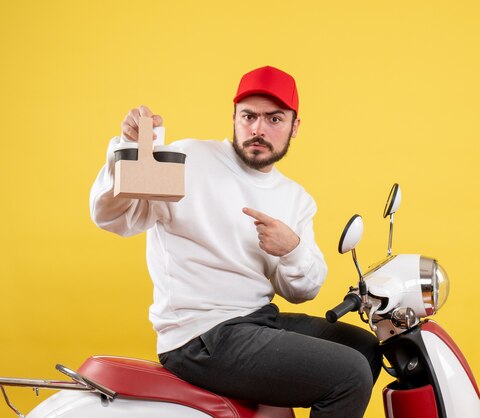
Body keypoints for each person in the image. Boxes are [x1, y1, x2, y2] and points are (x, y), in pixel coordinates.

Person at [90, 66, 381, 418]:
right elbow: (114, 217)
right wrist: (130, 149)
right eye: (249, 116)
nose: (258, 129)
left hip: (258, 322)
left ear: (295, 126)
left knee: (365, 348)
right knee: (349, 375)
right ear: (234, 117)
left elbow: (304, 291)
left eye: (274, 119)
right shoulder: (188, 160)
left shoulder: (295, 198)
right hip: (200, 336)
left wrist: (292, 249)